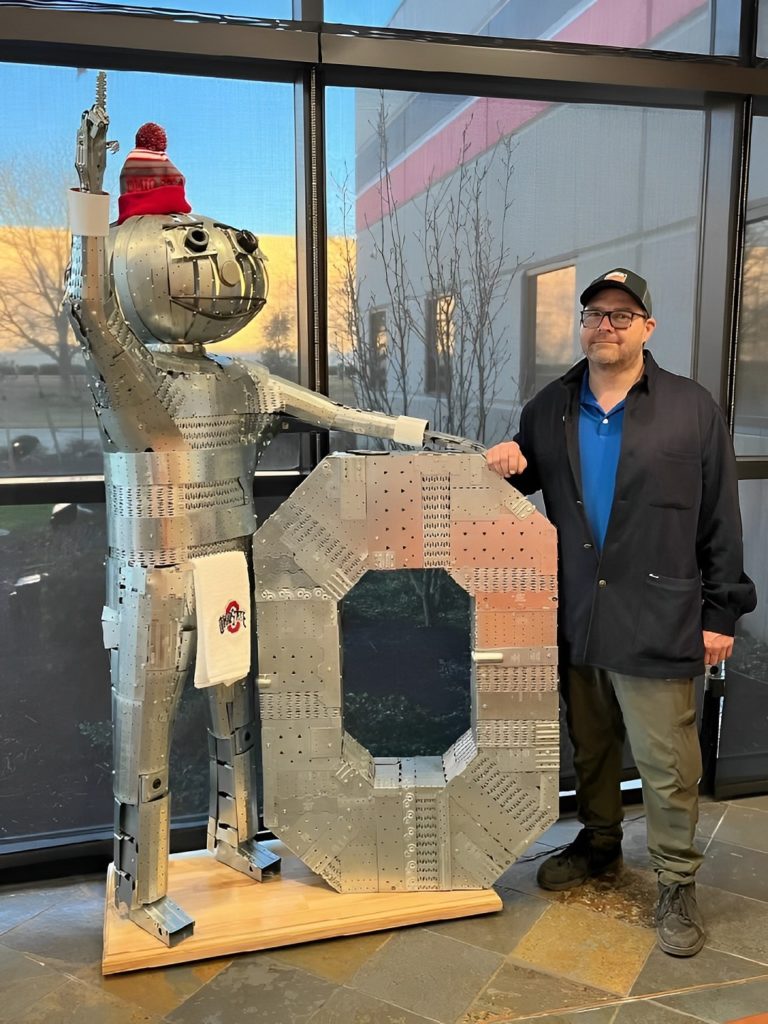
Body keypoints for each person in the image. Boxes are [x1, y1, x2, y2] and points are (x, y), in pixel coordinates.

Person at [485, 268, 756, 957]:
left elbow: (721, 517)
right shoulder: (549, 407)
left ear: (647, 328)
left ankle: (675, 881)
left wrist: (722, 612)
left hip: (659, 614)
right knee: (593, 746)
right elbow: (525, 489)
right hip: (577, 614)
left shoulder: (691, 409)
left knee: (668, 764)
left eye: (621, 315)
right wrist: (511, 463)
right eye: (595, 315)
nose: (605, 326)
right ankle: (601, 844)